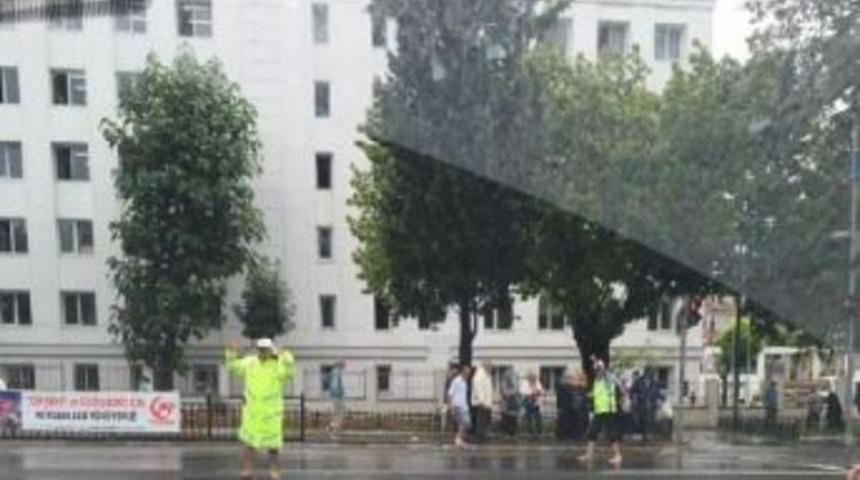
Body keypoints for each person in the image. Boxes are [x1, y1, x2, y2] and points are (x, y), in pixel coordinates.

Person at [226, 338, 295, 480]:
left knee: (273, 446)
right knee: (249, 445)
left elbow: (290, 372)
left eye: (266, 349)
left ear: (271, 349)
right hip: (253, 412)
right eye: (261, 349)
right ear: (258, 349)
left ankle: (274, 472)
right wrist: (231, 352)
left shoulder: (277, 364)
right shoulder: (250, 362)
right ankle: (247, 471)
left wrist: (286, 355)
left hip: (271, 412)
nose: (263, 351)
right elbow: (232, 367)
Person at [579, 357, 623, 466]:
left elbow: (607, 373)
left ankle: (618, 456)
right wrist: (587, 395)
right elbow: (595, 394)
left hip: (608, 410)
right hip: (599, 411)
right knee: (592, 432)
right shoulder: (597, 381)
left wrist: (596, 361)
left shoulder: (608, 378)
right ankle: (589, 454)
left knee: (612, 434)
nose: (595, 372)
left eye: (597, 370)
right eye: (595, 370)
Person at [631, 367, 662, 443]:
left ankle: (647, 436)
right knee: (642, 420)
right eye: (649, 372)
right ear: (645, 373)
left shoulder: (654, 382)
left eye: (651, 373)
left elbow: (657, 392)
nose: (650, 374)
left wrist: (660, 400)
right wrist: (635, 399)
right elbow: (633, 392)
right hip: (641, 403)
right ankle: (643, 436)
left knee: (650, 420)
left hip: (651, 404)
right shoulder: (638, 381)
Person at [447, 365, 472, 448]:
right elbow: (450, 393)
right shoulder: (456, 381)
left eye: (468, 373)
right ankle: (458, 440)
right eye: (466, 373)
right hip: (457, 406)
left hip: (464, 406)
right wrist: (451, 406)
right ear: (462, 372)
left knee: (466, 423)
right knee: (463, 422)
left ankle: (460, 439)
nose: (467, 374)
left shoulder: (465, 382)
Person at [470, 361, 493, 443]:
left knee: (483, 421)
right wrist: (482, 400)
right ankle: (478, 437)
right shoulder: (480, 375)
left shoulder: (486, 375)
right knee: (480, 421)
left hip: (485, 403)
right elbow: (479, 389)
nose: (491, 368)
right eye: (490, 367)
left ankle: (482, 436)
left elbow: (488, 389)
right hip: (481, 403)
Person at [521, 371, 544, 438]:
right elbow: (522, 392)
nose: (533, 378)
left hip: (536, 403)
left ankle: (539, 432)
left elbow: (541, 391)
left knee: (538, 418)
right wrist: (531, 392)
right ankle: (530, 433)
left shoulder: (537, 382)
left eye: (534, 376)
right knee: (529, 419)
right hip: (528, 403)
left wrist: (537, 392)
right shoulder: (525, 383)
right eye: (531, 376)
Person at [326, 360, 346, 435]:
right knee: (339, 411)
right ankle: (334, 427)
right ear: (339, 366)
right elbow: (335, 385)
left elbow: (335, 384)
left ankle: (332, 426)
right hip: (337, 395)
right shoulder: (336, 372)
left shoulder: (335, 372)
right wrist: (339, 393)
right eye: (343, 366)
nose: (344, 368)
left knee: (338, 411)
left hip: (336, 395)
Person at [570, 370, 591, 441]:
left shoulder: (583, 385)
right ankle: (578, 435)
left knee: (584, 421)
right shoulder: (577, 385)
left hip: (582, 405)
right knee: (579, 421)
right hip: (578, 405)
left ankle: (581, 435)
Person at [499, 367, 521, 436]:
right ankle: (506, 433)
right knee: (507, 419)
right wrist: (512, 392)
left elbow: (517, 390)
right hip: (507, 404)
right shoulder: (503, 382)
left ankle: (512, 433)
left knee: (513, 419)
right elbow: (504, 392)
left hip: (514, 403)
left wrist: (512, 393)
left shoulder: (515, 382)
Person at [556, 370, 576, 441]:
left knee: (566, 421)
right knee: (564, 421)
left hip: (567, 406)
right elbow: (561, 397)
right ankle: (563, 435)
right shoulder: (564, 386)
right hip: (565, 406)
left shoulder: (567, 386)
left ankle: (564, 435)